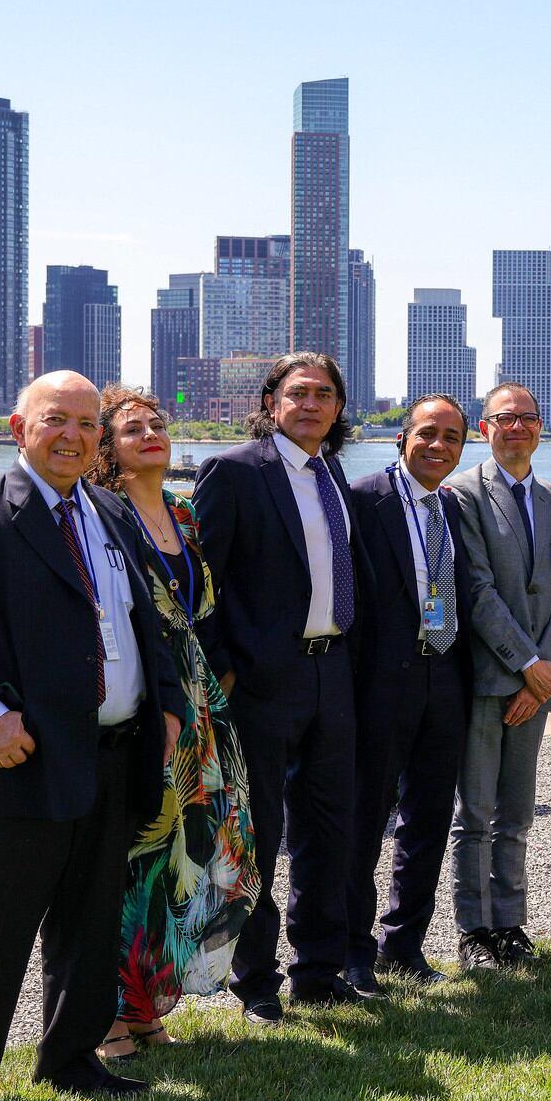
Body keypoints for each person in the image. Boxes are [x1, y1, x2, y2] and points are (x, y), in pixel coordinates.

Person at [0, 372, 183, 1101]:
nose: (74, 436)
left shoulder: (113, 511)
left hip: (114, 757)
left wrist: (170, 711)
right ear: (19, 426)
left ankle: (71, 1058)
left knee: (89, 927)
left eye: (89, 424)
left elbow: (142, 626)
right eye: (57, 420)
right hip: (13, 764)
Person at [86, 386, 259, 1058]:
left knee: (177, 865)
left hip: (200, 717)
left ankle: (148, 1008)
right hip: (141, 711)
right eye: (133, 428)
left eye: (158, 424)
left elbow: (206, 613)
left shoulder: (185, 517)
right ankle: (104, 1018)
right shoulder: (104, 515)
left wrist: (219, 690)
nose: (151, 433)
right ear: (108, 446)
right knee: (128, 863)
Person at [193, 352, 366, 1022]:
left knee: (330, 830)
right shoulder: (235, 472)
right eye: (298, 394)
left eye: (325, 393)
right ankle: (256, 980)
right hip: (263, 681)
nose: (312, 404)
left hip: (332, 672)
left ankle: (318, 970)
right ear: (271, 403)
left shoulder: (331, 472)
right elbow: (202, 582)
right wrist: (228, 669)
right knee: (259, 835)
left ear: (339, 408)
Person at [343, 394, 475, 992]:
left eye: (451, 437)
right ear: (403, 438)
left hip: (444, 677)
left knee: (428, 819)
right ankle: (352, 950)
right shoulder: (363, 500)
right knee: (365, 821)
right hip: (380, 682)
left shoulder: (455, 507)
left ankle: (405, 946)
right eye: (427, 433)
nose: (438, 446)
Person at [452, 381, 551, 968]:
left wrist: (548, 673)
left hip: (538, 684)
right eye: (504, 418)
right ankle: (473, 931)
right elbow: (476, 590)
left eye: (527, 418)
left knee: (518, 814)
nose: (517, 427)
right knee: (474, 814)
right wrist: (528, 667)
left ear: (539, 428)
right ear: (485, 429)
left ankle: (511, 924)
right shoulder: (463, 495)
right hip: (487, 680)